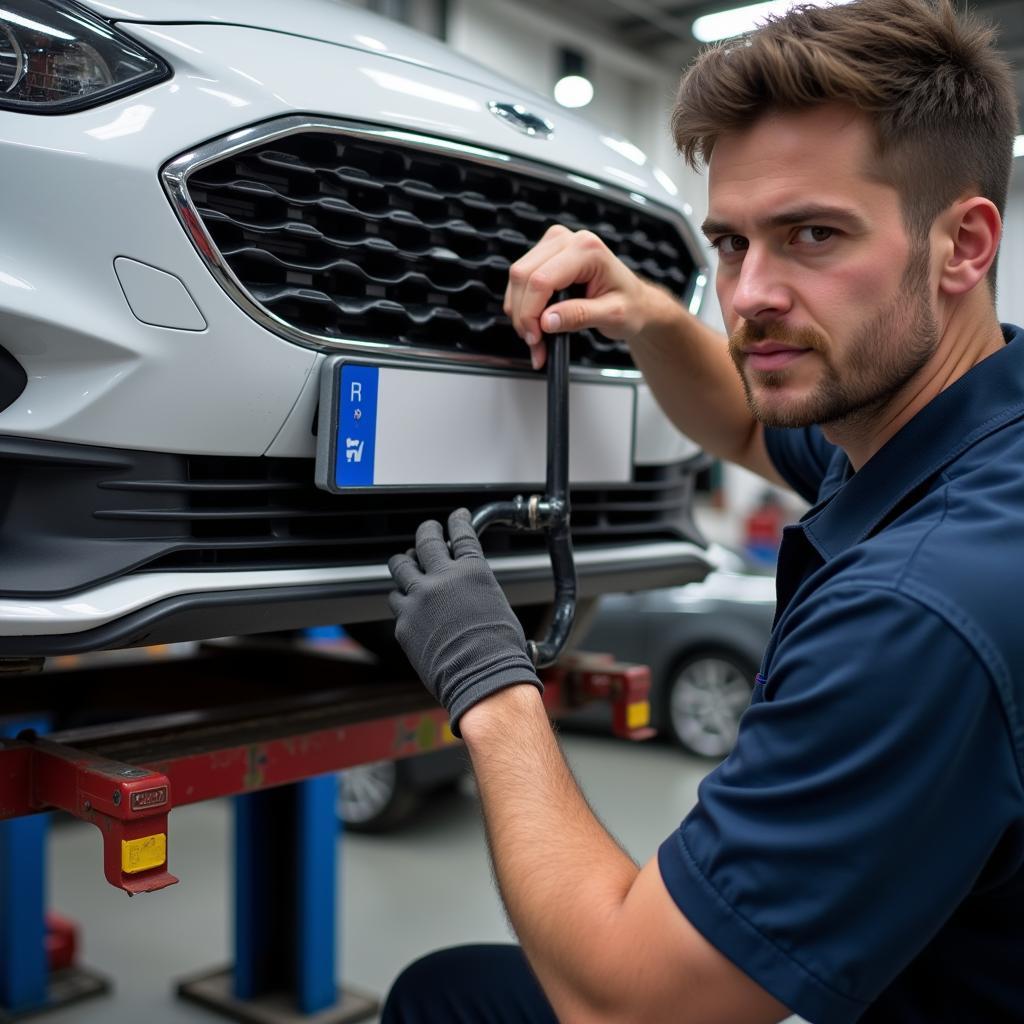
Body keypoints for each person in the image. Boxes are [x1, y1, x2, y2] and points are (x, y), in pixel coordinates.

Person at [383, 0, 1024, 1020]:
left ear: (962, 244)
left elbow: (631, 1007)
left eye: (811, 234)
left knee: (446, 1000)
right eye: (729, 244)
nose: (750, 295)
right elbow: (739, 422)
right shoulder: (967, 416)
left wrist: (489, 685)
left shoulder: (922, 609)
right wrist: (646, 309)